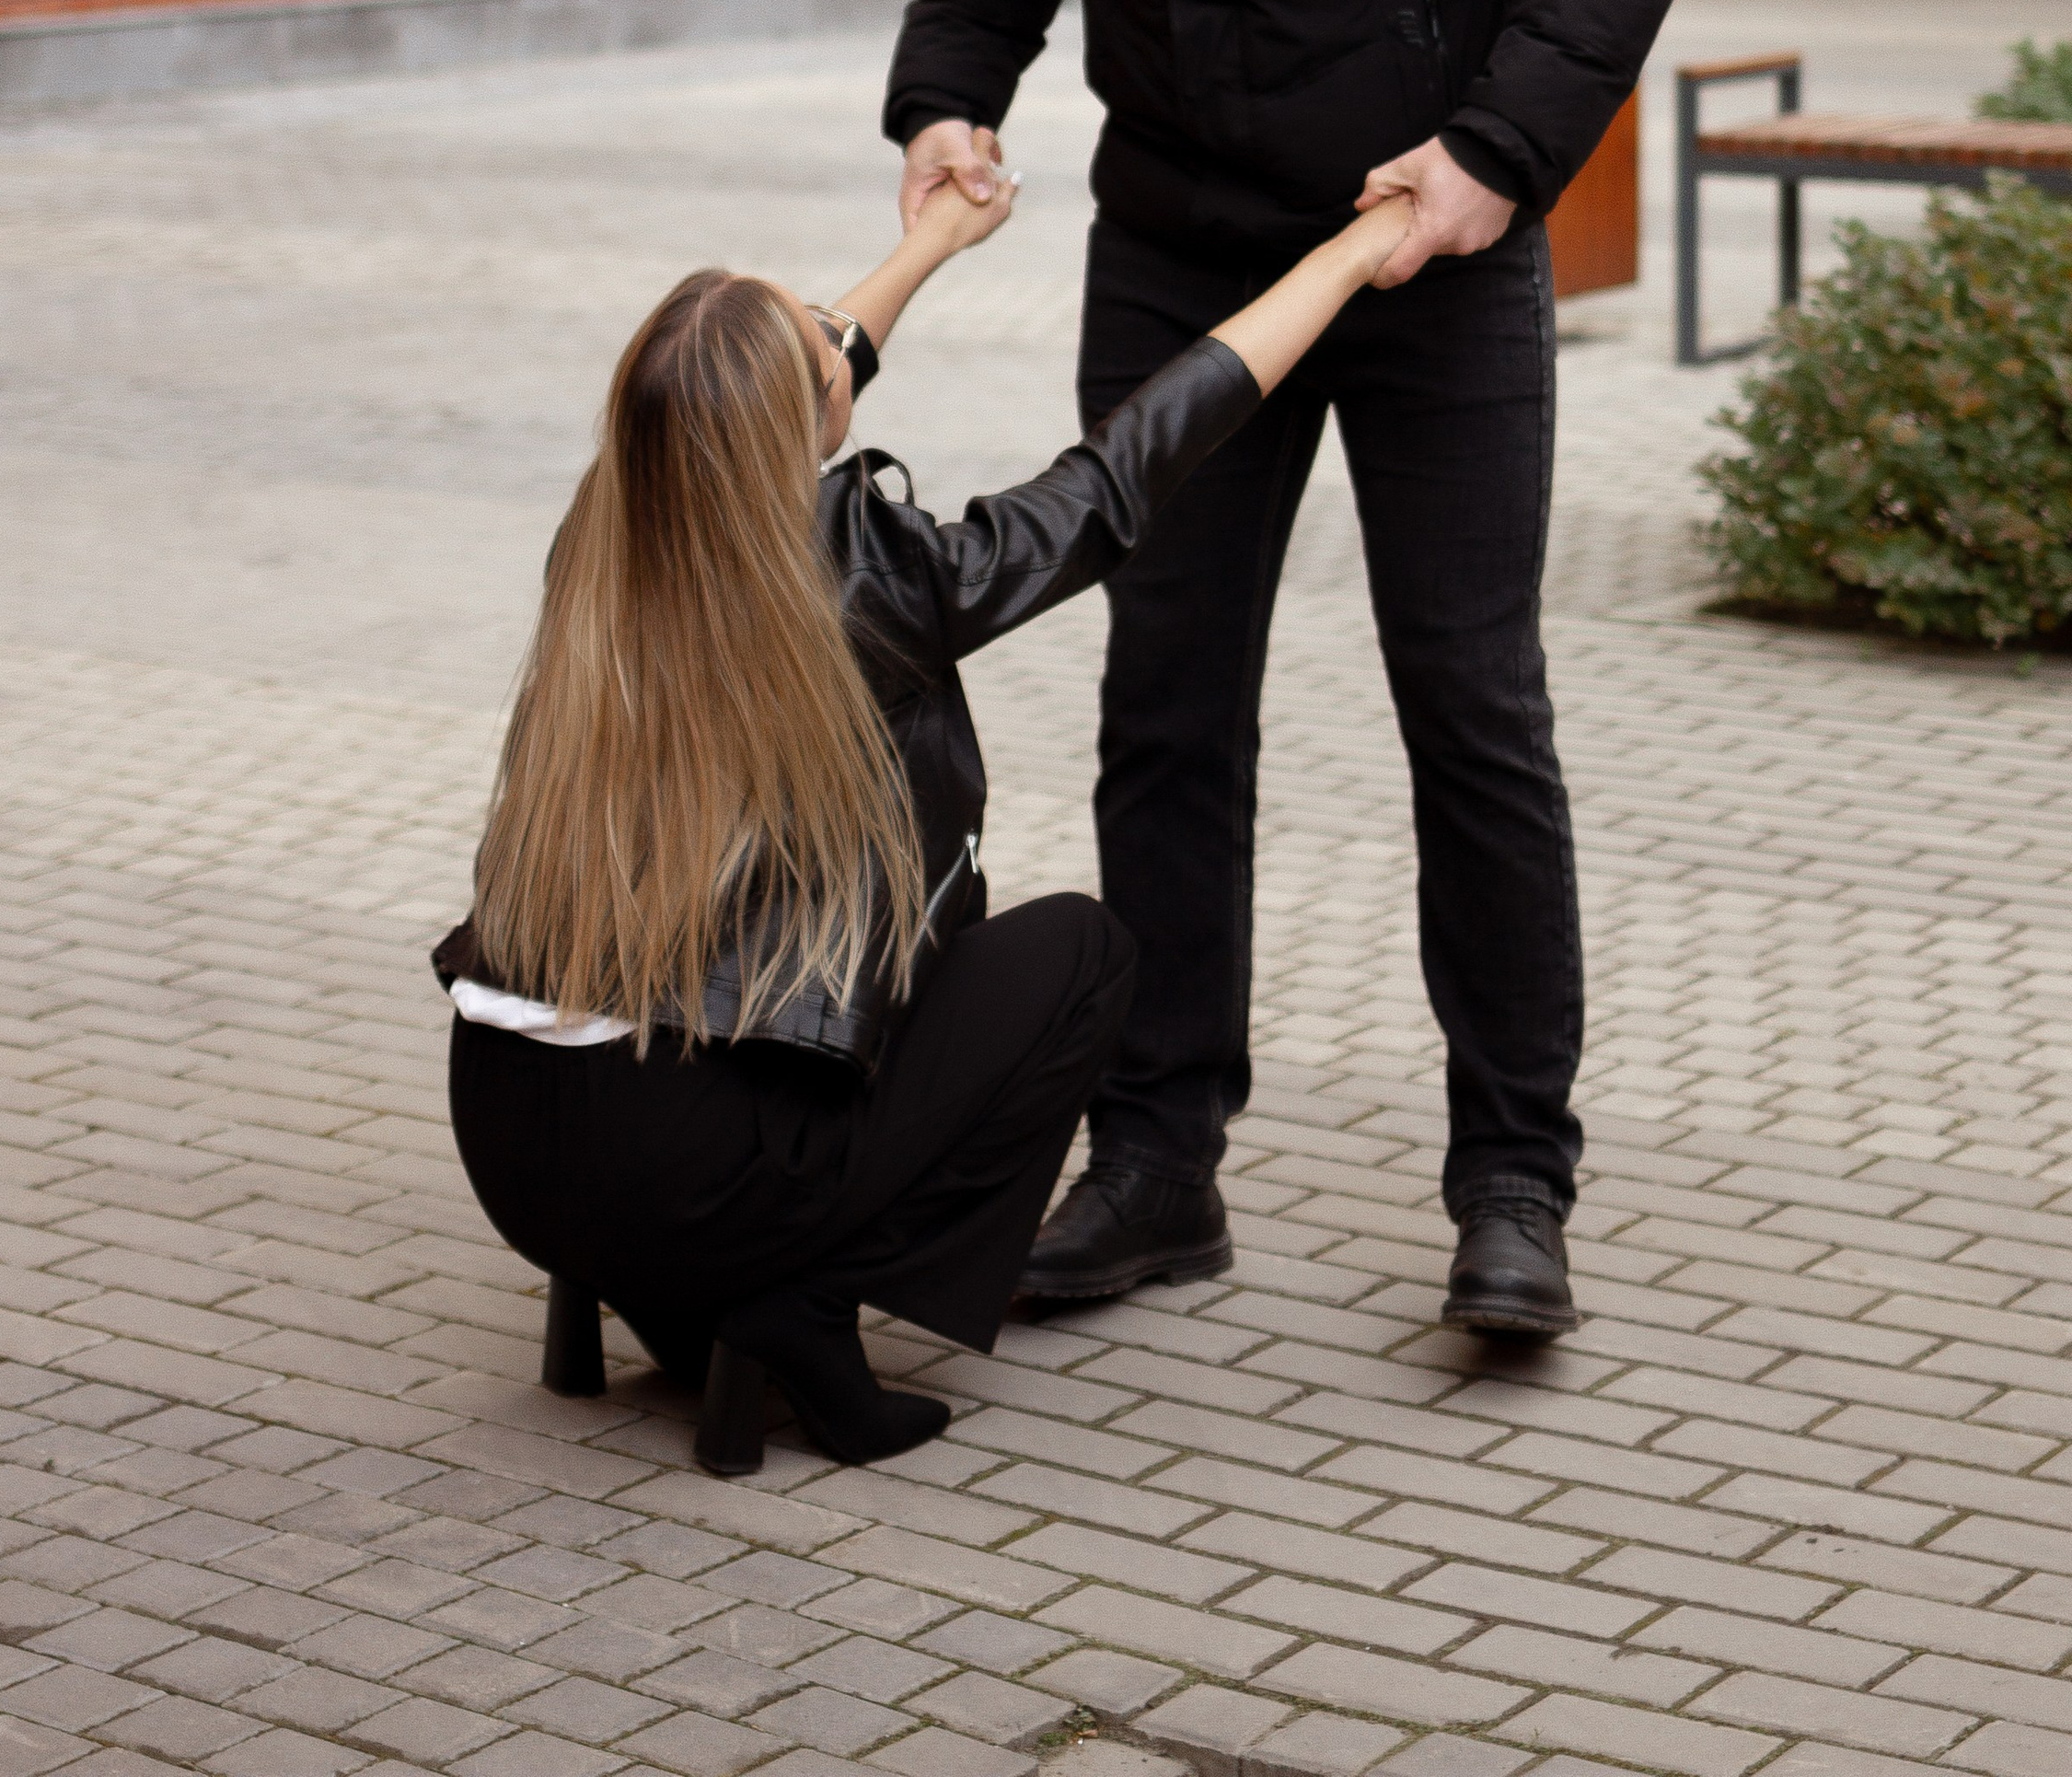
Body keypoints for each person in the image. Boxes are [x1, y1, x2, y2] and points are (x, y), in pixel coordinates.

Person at [886, 0, 1702, 1341]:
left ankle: (1513, 1183)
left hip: (1418, 240)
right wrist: (947, 92)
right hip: (1179, 244)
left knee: (1469, 707)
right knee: (1162, 708)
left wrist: (1496, 153)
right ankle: (1156, 1164)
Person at [436, 159, 1418, 1474]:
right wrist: (1350, 259)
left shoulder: (607, 535)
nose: (846, 334)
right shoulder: (868, 588)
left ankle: (675, 1288)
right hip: (687, 1171)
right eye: (822, 338)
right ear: (808, 421)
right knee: (1081, 955)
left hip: (514, 1153)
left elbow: (766, 383)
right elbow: (1120, 477)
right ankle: (797, 1299)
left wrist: (940, 241)